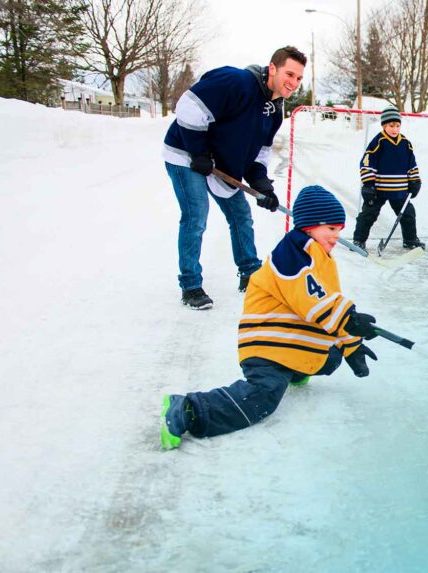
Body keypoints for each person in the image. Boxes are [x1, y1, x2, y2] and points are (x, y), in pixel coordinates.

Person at [161, 185, 380, 449]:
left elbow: (328, 301)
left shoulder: (321, 257)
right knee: (262, 397)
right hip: (268, 344)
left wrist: (350, 345)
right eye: (331, 229)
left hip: (290, 339)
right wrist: (349, 318)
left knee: (330, 357)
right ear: (310, 225)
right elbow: (312, 300)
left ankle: (295, 368)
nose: (336, 237)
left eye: (339, 230)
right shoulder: (293, 253)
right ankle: (190, 408)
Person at [163, 46, 307, 310]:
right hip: (185, 153)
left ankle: (250, 273)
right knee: (196, 216)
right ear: (272, 68)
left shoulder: (275, 110)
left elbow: (260, 153)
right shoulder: (237, 81)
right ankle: (191, 285)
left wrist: (263, 185)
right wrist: (198, 151)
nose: (294, 82)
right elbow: (188, 106)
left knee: (241, 215)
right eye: (289, 73)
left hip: (219, 164)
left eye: (299, 78)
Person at [352, 106, 425, 254]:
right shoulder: (378, 142)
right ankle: (359, 241)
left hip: (399, 190)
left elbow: (411, 163)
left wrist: (414, 180)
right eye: (391, 126)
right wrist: (368, 185)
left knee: (408, 214)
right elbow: (366, 162)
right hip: (379, 190)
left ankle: (410, 240)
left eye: (397, 126)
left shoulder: (405, 143)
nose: (395, 129)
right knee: (368, 214)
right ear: (384, 126)